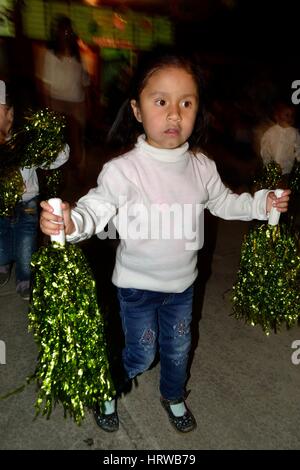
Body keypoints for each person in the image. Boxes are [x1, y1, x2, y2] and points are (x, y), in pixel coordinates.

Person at [39, 49, 290, 433]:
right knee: (140, 354)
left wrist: (261, 202)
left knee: (176, 351)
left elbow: (224, 201)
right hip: (136, 288)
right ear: (137, 110)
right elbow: (96, 210)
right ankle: (109, 386)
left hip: (182, 287)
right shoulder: (124, 171)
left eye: (186, 102)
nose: (174, 113)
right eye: (161, 101)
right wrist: (71, 222)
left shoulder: (201, 167)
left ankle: (173, 395)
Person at [0, 81, 69, 300]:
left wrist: (53, 143)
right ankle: (2, 264)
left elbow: (55, 159)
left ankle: (25, 277)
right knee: (1, 238)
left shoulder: (25, 140)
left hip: (27, 202)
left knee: (25, 241)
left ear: (9, 113)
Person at [39, 15, 90, 180]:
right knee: (59, 140)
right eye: (62, 30)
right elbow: (46, 86)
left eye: (68, 30)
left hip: (76, 103)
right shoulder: (50, 55)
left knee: (77, 139)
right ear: (56, 33)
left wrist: (87, 105)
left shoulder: (77, 56)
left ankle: (79, 170)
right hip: (57, 102)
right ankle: (60, 172)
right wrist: (48, 109)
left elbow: (85, 82)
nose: (65, 34)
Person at [260, 101, 300, 179]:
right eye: (287, 115)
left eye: (292, 116)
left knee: (284, 186)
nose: (290, 118)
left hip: (287, 169)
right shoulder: (270, 132)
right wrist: (267, 163)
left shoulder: (294, 132)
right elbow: (265, 149)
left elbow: (298, 148)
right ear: (277, 116)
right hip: (271, 168)